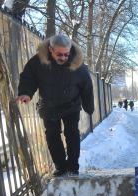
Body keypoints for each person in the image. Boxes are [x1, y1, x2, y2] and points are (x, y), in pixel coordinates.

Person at [16, 34, 94, 177]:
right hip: (49, 106)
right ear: (51, 49)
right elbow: (28, 77)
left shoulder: (77, 63)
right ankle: (60, 166)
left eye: (66, 54)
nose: (63, 58)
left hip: (71, 105)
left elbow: (87, 86)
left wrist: (89, 106)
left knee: (72, 133)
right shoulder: (38, 61)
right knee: (52, 136)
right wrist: (26, 93)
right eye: (59, 54)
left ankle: (73, 166)